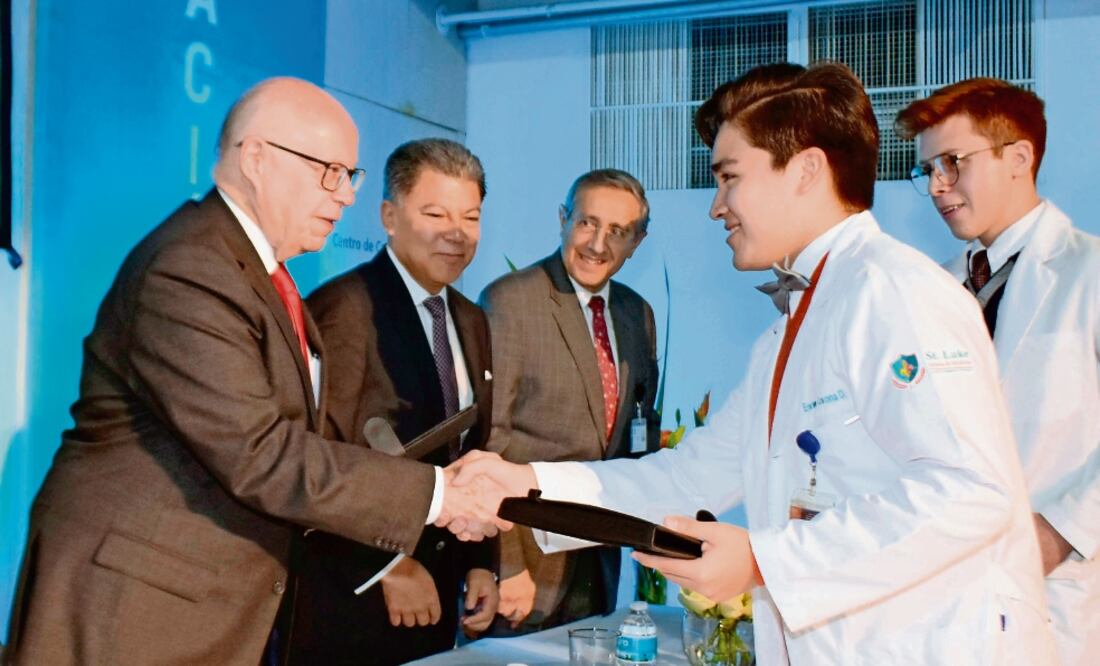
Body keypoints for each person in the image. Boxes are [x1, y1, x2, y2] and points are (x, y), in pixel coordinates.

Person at [453, 63, 1057, 664]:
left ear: (806, 170)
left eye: (729, 178)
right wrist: (529, 483)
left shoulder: (892, 291)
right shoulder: (788, 329)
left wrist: (764, 559)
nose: (717, 207)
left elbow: (970, 493)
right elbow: (689, 477)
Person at [3, 78, 502, 665]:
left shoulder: (259, 274)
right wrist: (439, 494)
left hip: (207, 602)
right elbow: (261, 453)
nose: (344, 195)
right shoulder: (191, 268)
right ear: (258, 159)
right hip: (137, 608)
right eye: (329, 171)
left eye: (350, 176)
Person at [896, 78, 1100, 665]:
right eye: (928, 170)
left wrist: (1057, 533)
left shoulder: (1087, 271)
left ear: (1019, 157)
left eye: (953, 163)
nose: (937, 187)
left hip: (1057, 591)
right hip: (940, 587)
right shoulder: (928, 289)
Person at [289, 139, 499, 664]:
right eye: (435, 213)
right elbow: (314, 461)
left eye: (470, 217)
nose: (456, 233)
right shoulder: (343, 311)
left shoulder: (471, 319)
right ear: (388, 215)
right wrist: (388, 566)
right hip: (353, 601)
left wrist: (479, 562)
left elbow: (470, 452)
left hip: (442, 597)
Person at [478, 169, 660, 633]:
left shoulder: (637, 313)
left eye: (617, 231)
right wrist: (506, 564)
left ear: (637, 242)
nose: (598, 244)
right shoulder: (511, 301)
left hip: (599, 558)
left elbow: (635, 433)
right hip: (528, 564)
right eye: (587, 223)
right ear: (563, 219)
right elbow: (487, 445)